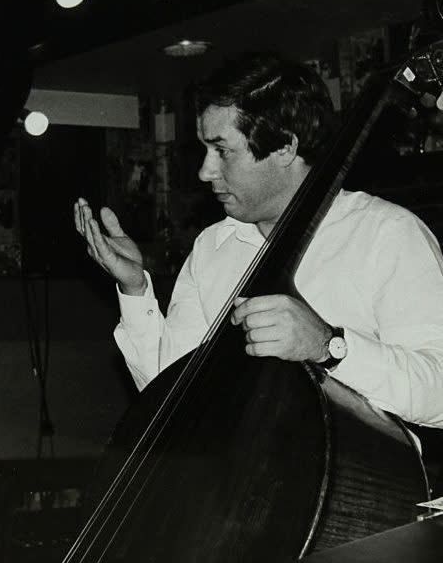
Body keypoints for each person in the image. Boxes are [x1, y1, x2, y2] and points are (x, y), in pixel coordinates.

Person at [75, 52, 443, 486]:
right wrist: (135, 289)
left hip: (359, 503)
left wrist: (329, 346)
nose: (204, 170)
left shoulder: (388, 234)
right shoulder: (213, 246)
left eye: (222, 151)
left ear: (285, 146)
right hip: (230, 496)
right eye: (204, 149)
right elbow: (173, 399)